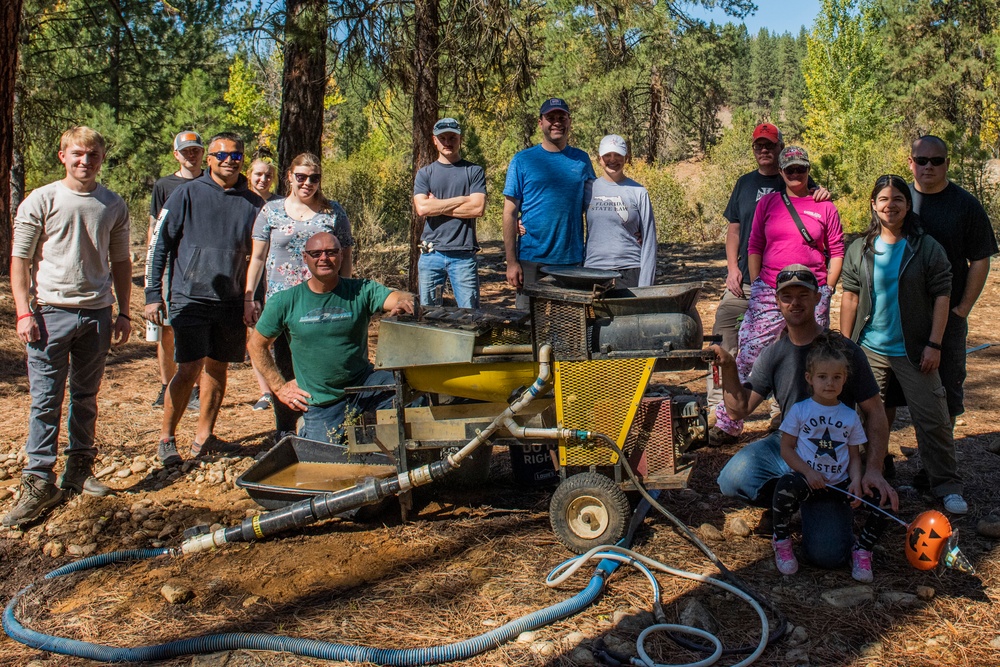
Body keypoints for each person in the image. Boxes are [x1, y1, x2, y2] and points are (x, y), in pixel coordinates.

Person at [713, 266, 898, 569]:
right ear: (777, 301)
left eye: (803, 295)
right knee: (733, 479)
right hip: (789, 447)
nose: (795, 303)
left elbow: (875, 412)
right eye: (787, 297)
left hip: (833, 455)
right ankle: (789, 500)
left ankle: (821, 500)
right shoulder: (774, 354)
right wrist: (729, 368)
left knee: (827, 556)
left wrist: (873, 469)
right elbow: (740, 408)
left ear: (816, 299)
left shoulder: (844, 352)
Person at [5, 126, 131, 526]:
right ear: (63, 156)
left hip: (96, 313)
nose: (85, 161)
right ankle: (40, 480)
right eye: (77, 154)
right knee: (45, 400)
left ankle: (79, 469)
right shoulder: (42, 199)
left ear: (101, 158)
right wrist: (24, 312)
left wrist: (124, 311)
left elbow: (122, 261)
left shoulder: (112, 204)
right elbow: (20, 260)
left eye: (93, 155)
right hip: (48, 314)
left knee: (86, 396)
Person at [840, 174, 966, 514]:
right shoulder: (860, 248)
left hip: (914, 351)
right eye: (883, 198)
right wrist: (846, 346)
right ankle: (872, 476)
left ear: (907, 205)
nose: (890, 204)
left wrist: (934, 344)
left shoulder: (924, 247)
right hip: (869, 349)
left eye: (897, 198)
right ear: (873, 204)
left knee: (933, 418)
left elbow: (943, 293)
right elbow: (850, 296)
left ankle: (946, 485)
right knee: (867, 419)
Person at [711, 146, 844, 445]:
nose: (796, 174)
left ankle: (800, 419)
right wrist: (759, 283)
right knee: (750, 352)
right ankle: (729, 420)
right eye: (790, 169)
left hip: (812, 290)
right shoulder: (769, 203)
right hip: (770, 288)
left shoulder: (825, 207)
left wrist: (827, 289)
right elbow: (754, 244)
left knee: (807, 357)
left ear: (809, 170)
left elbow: (836, 251)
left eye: (801, 169)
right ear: (781, 173)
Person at [145, 132, 264, 465]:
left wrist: (256, 298)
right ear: (209, 158)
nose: (230, 161)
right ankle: (167, 438)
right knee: (189, 368)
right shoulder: (186, 194)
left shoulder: (254, 204)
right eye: (222, 155)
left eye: (237, 156)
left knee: (218, 367)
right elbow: (159, 246)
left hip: (231, 300)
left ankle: (204, 437)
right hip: (190, 296)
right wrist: (153, 294)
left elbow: (260, 257)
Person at [248, 232, 415, 442]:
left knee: (413, 394)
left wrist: (403, 302)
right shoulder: (285, 301)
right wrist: (279, 387)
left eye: (331, 252)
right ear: (305, 258)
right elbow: (256, 346)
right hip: (321, 400)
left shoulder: (361, 290)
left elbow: (399, 297)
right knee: (328, 457)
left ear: (341, 255)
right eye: (316, 253)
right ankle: (305, 428)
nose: (324, 258)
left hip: (364, 385)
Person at [245, 152, 355, 437]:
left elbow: (346, 257)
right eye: (301, 177)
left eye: (314, 178)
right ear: (290, 177)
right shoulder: (271, 211)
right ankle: (285, 432)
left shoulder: (334, 212)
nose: (307, 183)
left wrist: (348, 295)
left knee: (326, 366)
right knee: (283, 369)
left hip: (324, 302)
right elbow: (257, 258)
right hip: (283, 304)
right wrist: (249, 296)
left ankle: (328, 429)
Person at [771, 332, 891, 582]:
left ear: (845, 379)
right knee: (785, 486)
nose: (829, 383)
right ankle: (781, 539)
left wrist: (856, 480)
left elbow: (854, 455)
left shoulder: (849, 416)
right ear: (809, 379)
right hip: (810, 482)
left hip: (838, 484)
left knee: (884, 499)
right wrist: (808, 472)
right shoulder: (800, 410)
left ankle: (863, 549)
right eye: (823, 377)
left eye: (837, 377)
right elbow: (787, 449)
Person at [907, 135, 998, 423]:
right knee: (896, 389)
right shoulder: (898, 200)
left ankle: (941, 465)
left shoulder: (965, 204)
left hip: (949, 315)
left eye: (936, 161)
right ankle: (885, 460)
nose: (928, 167)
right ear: (911, 164)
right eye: (922, 161)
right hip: (904, 313)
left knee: (947, 386)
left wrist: (962, 309)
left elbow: (981, 258)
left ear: (947, 163)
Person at [503, 97, 596, 309]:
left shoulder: (581, 160)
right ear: (540, 123)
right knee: (527, 324)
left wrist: (627, 228)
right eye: (550, 117)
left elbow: (594, 206)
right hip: (531, 258)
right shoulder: (522, 160)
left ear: (569, 121)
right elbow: (509, 212)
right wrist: (511, 262)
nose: (556, 122)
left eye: (561, 117)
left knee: (569, 325)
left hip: (570, 259)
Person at [146, 130, 204, 412]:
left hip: (200, 266)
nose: (191, 155)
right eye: (185, 151)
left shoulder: (211, 182)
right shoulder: (164, 185)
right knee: (166, 330)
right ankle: (167, 384)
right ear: (176, 155)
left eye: (195, 150)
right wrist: (151, 273)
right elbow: (154, 229)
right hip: (170, 264)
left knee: (195, 328)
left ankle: (194, 388)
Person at [412, 117, 487, 308]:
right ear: (434, 140)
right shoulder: (425, 173)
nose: (447, 142)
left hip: (463, 255)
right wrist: (462, 199)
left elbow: (477, 208)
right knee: (428, 314)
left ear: (460, 139)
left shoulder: (474, 171)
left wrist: (437, 206)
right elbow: (422, 208)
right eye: (442, 138)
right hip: (431, 254)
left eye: (452, 137)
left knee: (470, 315)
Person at [583, 134, 657, 288]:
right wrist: (522, 222)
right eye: (607, 155)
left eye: (618, 155)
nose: (612, 160)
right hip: (594, 270)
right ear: (599, 159)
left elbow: (649, 239)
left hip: (630, 270)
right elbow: (564, 213)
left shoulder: (638, 191)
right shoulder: (588, 188)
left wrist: (645, 287)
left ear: (626, 158)